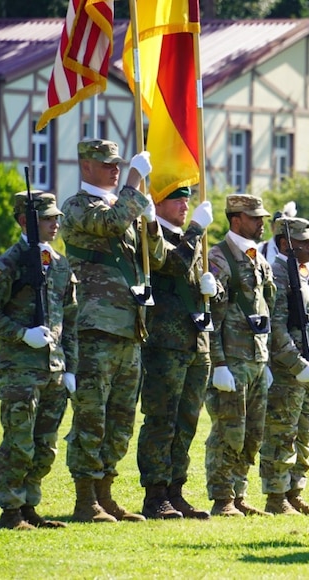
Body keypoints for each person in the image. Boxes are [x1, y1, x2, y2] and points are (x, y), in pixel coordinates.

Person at [61, 138, 165, 523]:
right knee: (92, 416)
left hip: (129, 328)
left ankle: (105, 494)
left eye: (118, 164)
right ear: (85, 165)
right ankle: (85, 498)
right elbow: (106, 226)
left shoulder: (124, 206)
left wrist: (150, 220)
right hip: (94, 326)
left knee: (121, 419)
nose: (114, 169)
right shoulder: (76, 207)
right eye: (106, 164)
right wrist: (135, 183)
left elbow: (154, 257)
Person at [0, 191, 77, 530]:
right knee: (18, 442)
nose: (55, 224)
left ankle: (30, 505)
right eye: (47, 218)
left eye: (56, 218)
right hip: (18, 368)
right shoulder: (6, 264)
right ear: (25, 222)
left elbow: (70, 319)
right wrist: (22, 334)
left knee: (44, 444)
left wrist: (71, 368)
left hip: (53, 368)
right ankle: (10, 509)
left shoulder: (61, 265)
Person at [136, 186, 216, 520]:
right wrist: (197, 229)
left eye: (187, 199)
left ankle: (175, 491)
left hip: (196, 342)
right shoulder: (152, 235)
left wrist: (213, 288)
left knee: (187, 421)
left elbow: (192, 279)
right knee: (161, 419)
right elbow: (170, 264)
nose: (185, 205)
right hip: (165, 344)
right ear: (158, 202)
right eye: (176, 199)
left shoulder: (191, 240)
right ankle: (155, 495)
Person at [205, 194, 276, 517]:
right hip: (231, 360)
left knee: (253, 432)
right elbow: (211, 319)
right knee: (228, 430)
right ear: (236, 220)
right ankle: (222, 497)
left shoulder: (258, 259)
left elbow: (266, 310)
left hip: (256, 360)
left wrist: (267, 360)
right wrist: (218, 363)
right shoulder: (219, 259)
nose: (261, 223)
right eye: (255, 218)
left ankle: (240, 492)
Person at [261, 216, 309, 516]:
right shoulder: (277, 274)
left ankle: (295, 491)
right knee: (281, 434)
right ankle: (276, 496)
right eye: (303, 242)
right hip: (290, 372)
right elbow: (276, 326)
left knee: (304, 434)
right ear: (286, 243)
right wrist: (293, 362)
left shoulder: (306, 274)